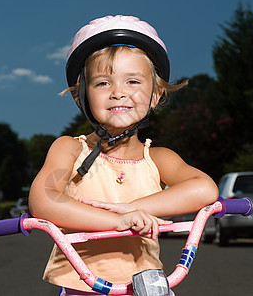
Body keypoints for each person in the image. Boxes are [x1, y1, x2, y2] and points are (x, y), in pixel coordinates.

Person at [29, 15, 218, 296]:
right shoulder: (69, 149)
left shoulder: (158, 158)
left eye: (133, 81)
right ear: (83, 95)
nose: (119, 93)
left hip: (147, 286)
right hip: (83, 287)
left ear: (155, 95)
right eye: (103, 83)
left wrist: (132, 208)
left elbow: (204, 189)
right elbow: (44, 201)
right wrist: (117, 222)